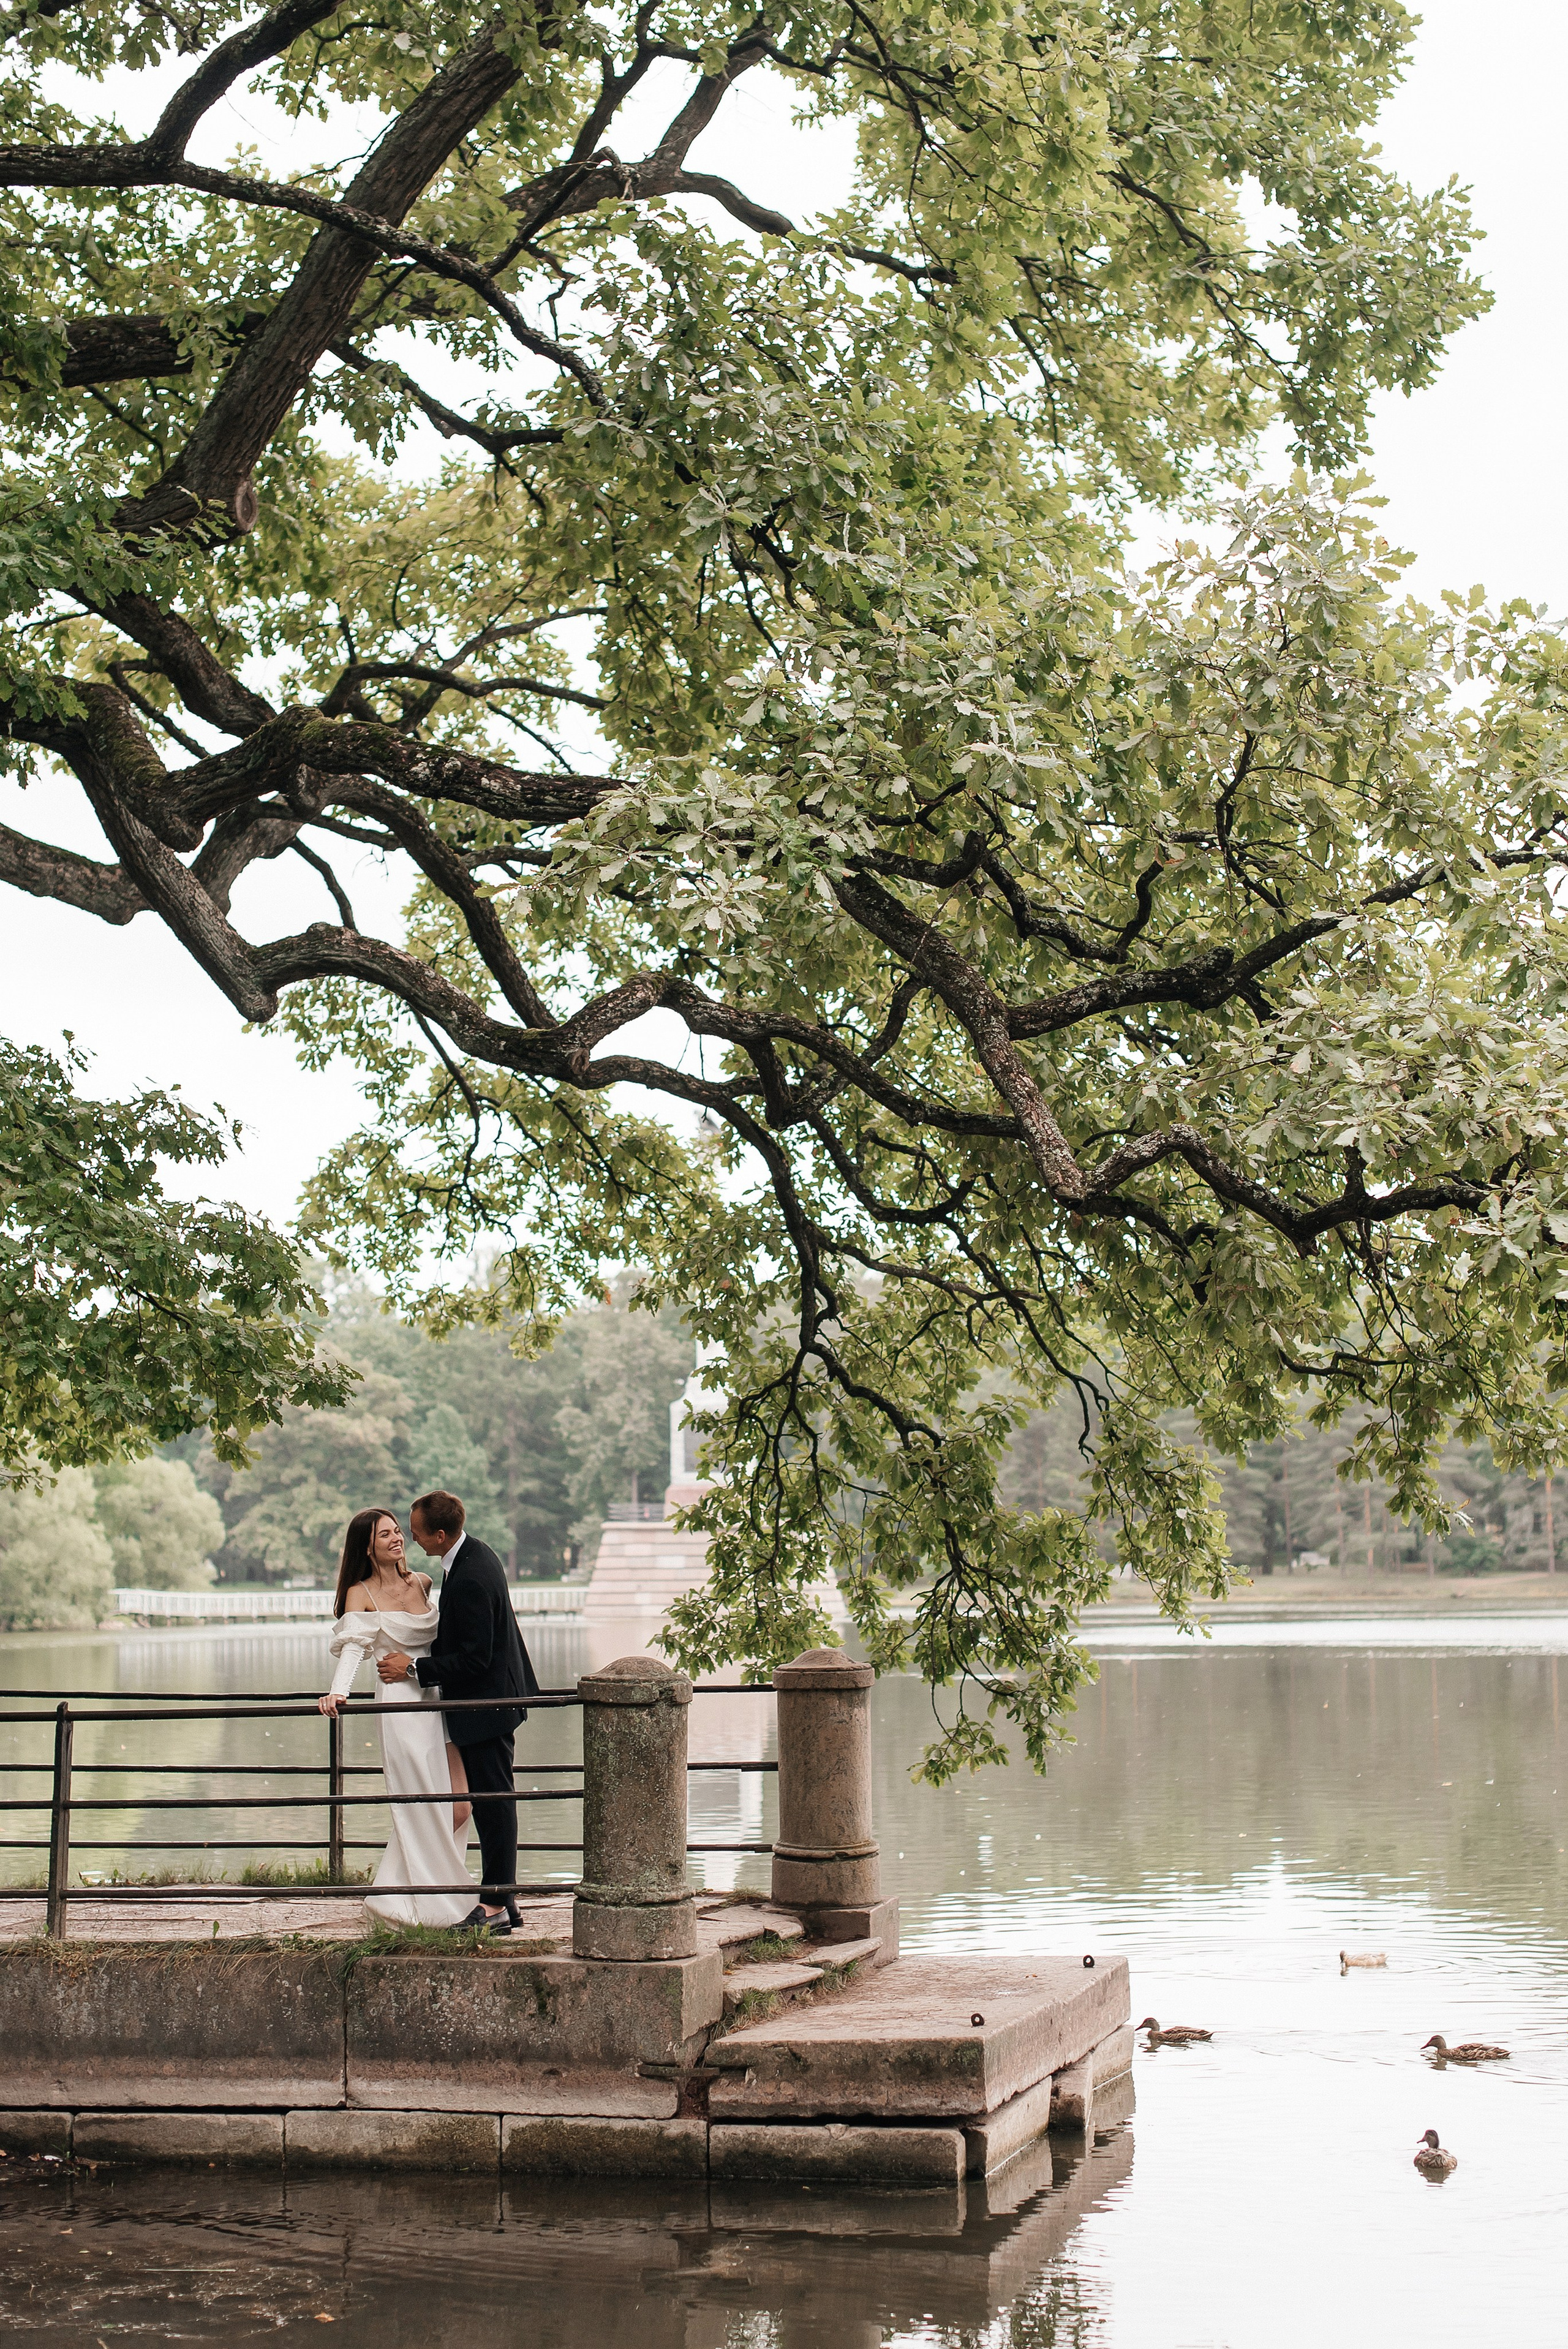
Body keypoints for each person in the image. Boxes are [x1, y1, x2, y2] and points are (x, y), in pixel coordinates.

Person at [377, 1490, 540, 1934]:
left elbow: (475, 1657)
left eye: (417, 1532)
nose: (413, 1539)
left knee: (494, 1804)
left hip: (486, 1704)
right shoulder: (472, 1556)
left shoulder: (469, 1575)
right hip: (491, 1699)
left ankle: (493, 1906)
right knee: (492, 1803)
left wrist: (412, 1666)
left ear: (441, 1534)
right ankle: (504, 1899)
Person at [318, 1507, 477, 1928]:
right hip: (402, 1705)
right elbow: (355, 1646)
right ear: (367, 1547)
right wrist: (339, 1690)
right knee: (422, 1805)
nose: (396, 1538)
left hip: (439, 1697)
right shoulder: (361, 1593)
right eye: (384, 1534)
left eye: (396, 1531)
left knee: (460, 1805)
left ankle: (407, 1894)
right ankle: (433, 1906)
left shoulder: (423, 1582)